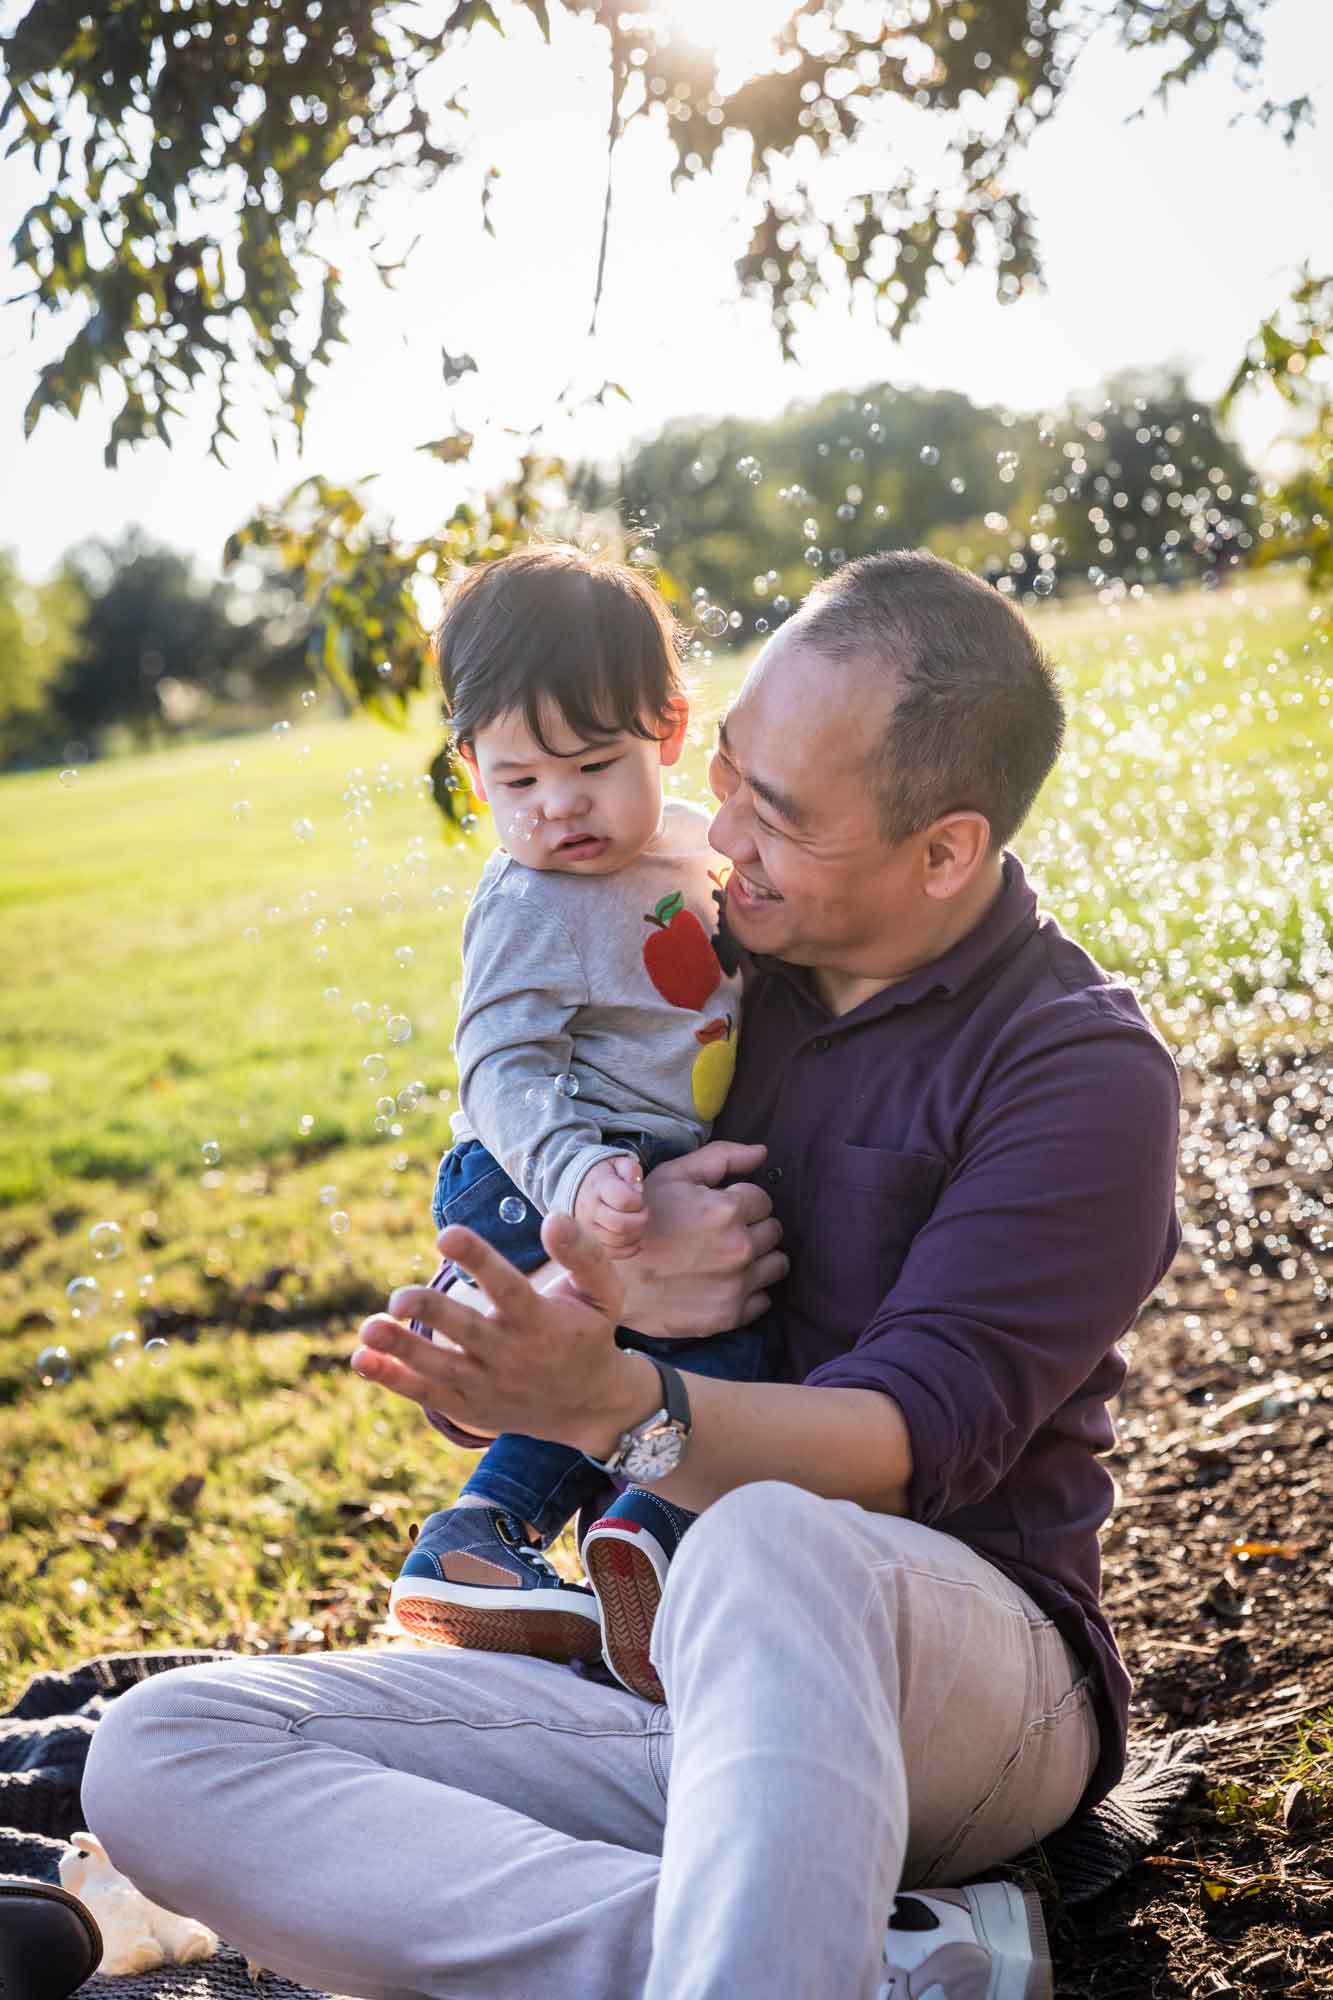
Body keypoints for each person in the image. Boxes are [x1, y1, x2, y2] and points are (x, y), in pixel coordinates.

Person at [82, 551, 1181, 2000]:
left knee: (769, 1541)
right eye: (720, 774)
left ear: (944, 849)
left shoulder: (1075, 1069)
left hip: (962, 1678)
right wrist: (584, 1293)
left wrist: (624, 1403)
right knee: (165, 1752)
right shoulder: (690, 967)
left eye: (773, 816)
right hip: (664, 1680)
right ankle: (891, 1961)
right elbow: (502, 1374)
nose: (712, 826)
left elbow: (903, 1450)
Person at [387, 545, 769, 1702]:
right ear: (471, 768)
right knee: (695, 1347)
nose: (558, 808)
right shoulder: (526, 902)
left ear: (667, 727)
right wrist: (576, 1174)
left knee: (701, 1351)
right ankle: (567, 1530)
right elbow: (499, 1064)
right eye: (516, 782)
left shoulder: (696, 841)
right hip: (533, 1173)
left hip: (632, 1162)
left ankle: (597, 1545)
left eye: (592, 765)